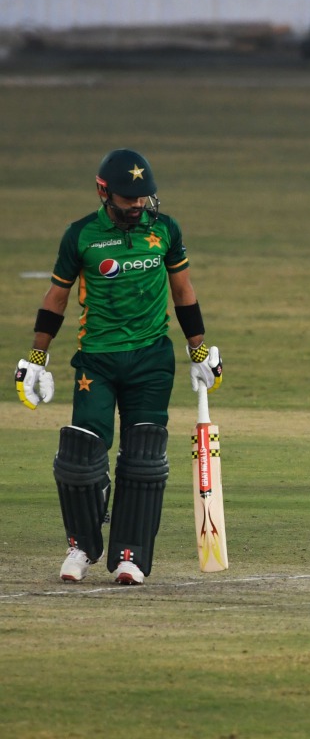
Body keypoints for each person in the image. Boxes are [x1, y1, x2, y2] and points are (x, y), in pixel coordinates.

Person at [14, 149, 223, 585]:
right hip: (98, 360)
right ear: (102, 191)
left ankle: (131, 555)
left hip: (151, 360)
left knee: (143, 458)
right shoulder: (81, 235)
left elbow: (183, 290)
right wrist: (36, 359)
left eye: (143, 198)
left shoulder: (165, 230)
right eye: (128, 199)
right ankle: (82, 547)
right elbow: (57, 298)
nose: (137, 206)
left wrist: (200, 350)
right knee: (80, 456)